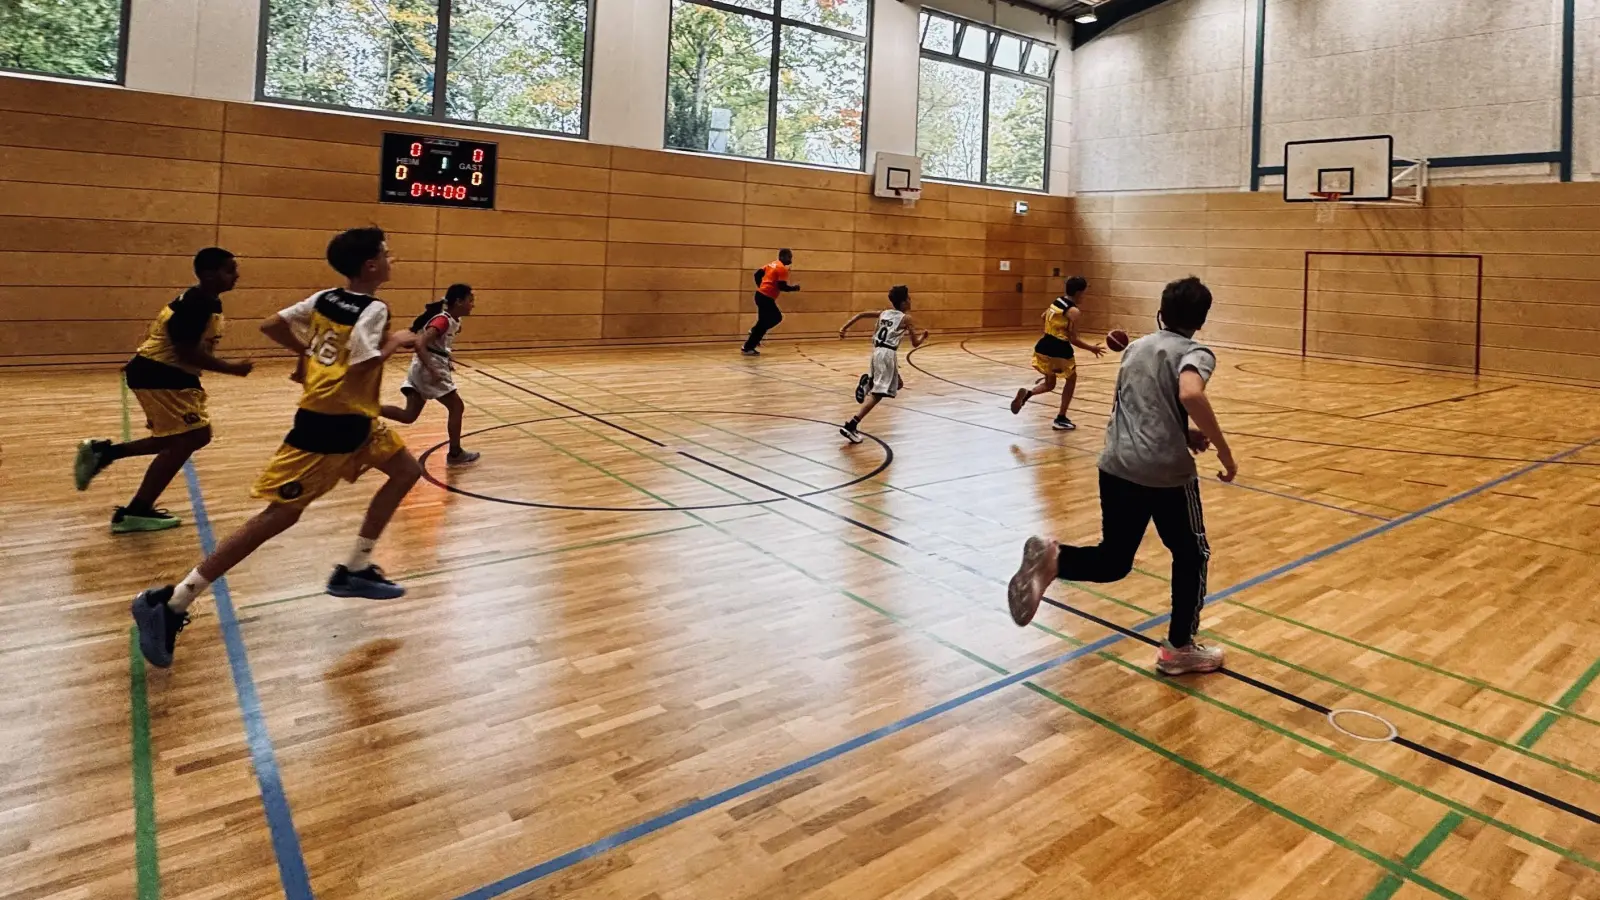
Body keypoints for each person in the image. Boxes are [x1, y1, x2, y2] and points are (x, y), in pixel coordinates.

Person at [130, 227, 422, 669]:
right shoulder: (375, 309)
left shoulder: (325, 298)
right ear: (370, 266)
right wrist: (396, 342)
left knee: (406, 471)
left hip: (357, 421)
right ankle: (170, 603)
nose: (391, 259)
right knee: (277, 517)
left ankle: (356, 568)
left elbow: (273, 325)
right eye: (386, 254)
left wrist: (309, 354)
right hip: (327, 430)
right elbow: (362, 361)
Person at [1006, 276, 1237, 677]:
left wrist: (1184, 432)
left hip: (1115, 465)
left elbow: (1141, 406)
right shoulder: (1196, 352)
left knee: (1114, 561)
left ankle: (1055, 559)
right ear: (1201, 321)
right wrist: (1224, 449)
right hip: (1164, 474)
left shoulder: (1135, 349)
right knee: (1192, 554)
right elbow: (1190, 394)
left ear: (1161, 312)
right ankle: (1179, 648)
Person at [74, 247, 252, 533]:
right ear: (208, 274)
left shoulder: (203, 299)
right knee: (191, 437)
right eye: (229, 269)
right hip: (162, 375)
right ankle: (135, 510)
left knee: (178, 439)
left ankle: (104, 455)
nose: (236, 275)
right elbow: (185, 352)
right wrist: (232, 368)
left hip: (162, 373)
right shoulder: (197, 304)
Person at [380, 283, 479, 465]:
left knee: (409, 415)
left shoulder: (453, 320)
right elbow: (420, 344)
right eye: (470, 300)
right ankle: (455, 453)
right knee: (457, 407)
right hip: (428, 369)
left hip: (422, 368)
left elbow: (437, 344)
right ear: (458, 302)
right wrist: (434, 369)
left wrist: (446, 358)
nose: (473, 304)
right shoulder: (442, 320)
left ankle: (367, 408)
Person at [1010, 276, 1103, 431]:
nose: (1085, 296)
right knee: (1071, 379)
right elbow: (1074, 339)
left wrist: (1054, 329)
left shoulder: (1057, 302)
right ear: (1079, 292)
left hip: (1044, 345)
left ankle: (1027, 394)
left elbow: (1043, 317)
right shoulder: (1074, 311)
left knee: (1050, 383)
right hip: (1059, 349)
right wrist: (1092, 348)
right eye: (1085, 292)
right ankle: (1061, 418)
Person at [837, 285, 927, 444]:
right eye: (909, 298)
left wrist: (844, 327)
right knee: (878, 395)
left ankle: (868, 383)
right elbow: (915, 343)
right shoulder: (906, 318)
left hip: (877, 352)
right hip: (887, 355)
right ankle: (851, 425)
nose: (910, 300)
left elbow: (861, 314)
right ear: (904, 302)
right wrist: (924, 336)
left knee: (898, 384)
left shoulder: (884, 313)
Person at [741, 249, 799, 356]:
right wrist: (794, 288)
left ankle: (748, 346)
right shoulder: (782, 269)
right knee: (776, 318)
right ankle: (751, 338)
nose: (790, 260)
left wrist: (761, 287)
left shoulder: (772, 264)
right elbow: (782, 287)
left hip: (760, 295)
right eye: (789, 257)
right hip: (765, 297)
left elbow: (757, 274)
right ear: (783, 257)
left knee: (763, 322)